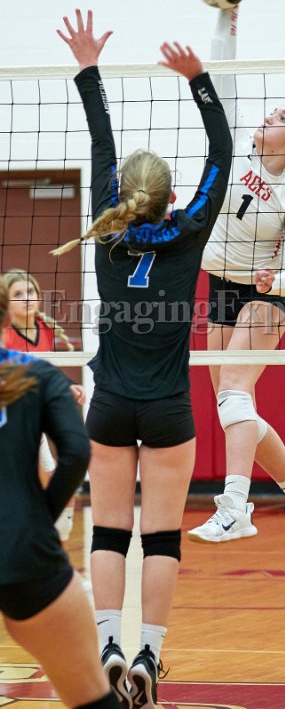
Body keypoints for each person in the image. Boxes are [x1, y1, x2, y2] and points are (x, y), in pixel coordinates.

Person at [54, 9, 232, 709]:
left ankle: (107, 644)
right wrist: (199, 80)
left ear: (123, 194)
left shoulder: (107, 231)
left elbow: (101, 143)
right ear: (169, 197)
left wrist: (88, 68)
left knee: (107, 528)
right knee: (160, 537)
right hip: (167, 410)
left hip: (108, 405)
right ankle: (150, 654)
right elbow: (221, 154)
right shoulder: (188, 232)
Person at [187, 0, 285, 552]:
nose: (269, 116)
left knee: (232, 397)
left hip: (264, 298)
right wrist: (226, 14)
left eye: (282, 118)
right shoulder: (232, 154)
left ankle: (235, 508)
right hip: (221, 285)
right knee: (234, 404)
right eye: (272, 111)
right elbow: (223, 76)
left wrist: (277, 284)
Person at [0, 275, 120, 709]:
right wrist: (38, 520)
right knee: (91, 697)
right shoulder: (35, 372)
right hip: (22, 551)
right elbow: (78, 451)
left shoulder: (44, 340)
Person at [3, 268, 85, 542]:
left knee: (58, 486)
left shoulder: (45, 329)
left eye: (30, 292)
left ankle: (53, 549)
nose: (26, 298)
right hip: (10, 419)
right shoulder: (5, 334)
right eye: (17, 294)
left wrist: (67, 385)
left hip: (31, 419)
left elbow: (47, 369)